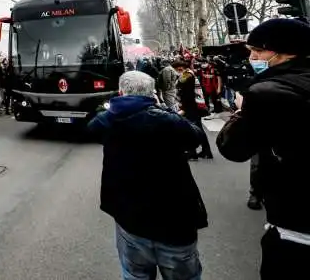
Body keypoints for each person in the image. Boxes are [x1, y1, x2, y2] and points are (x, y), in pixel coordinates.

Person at [88, 71, 207, 280]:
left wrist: (114, 108)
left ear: (120, 91)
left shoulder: (109, 120)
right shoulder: (168, 120)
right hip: (175, 220)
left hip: (131, 218)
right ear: (152, 93)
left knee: (135, 274)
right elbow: (195, 136)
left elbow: (92, 129)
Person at [216, 18, 310, 279]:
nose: (252, 57)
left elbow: (232, 148)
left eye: (258, 51)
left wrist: (240, 110)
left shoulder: (265, 93)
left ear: (285, 52)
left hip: (295, 223)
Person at [172, 59, 213, 160]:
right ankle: (206, 151)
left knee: (190, 130)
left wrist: (185, 109)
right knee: (198, 129)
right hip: (193, 106)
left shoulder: (187, 77)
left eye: (179, 69)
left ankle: (192, 153)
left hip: (191, 107)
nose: (178, 71)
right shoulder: (187, 75)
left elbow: (188, 94)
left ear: (183, 68)